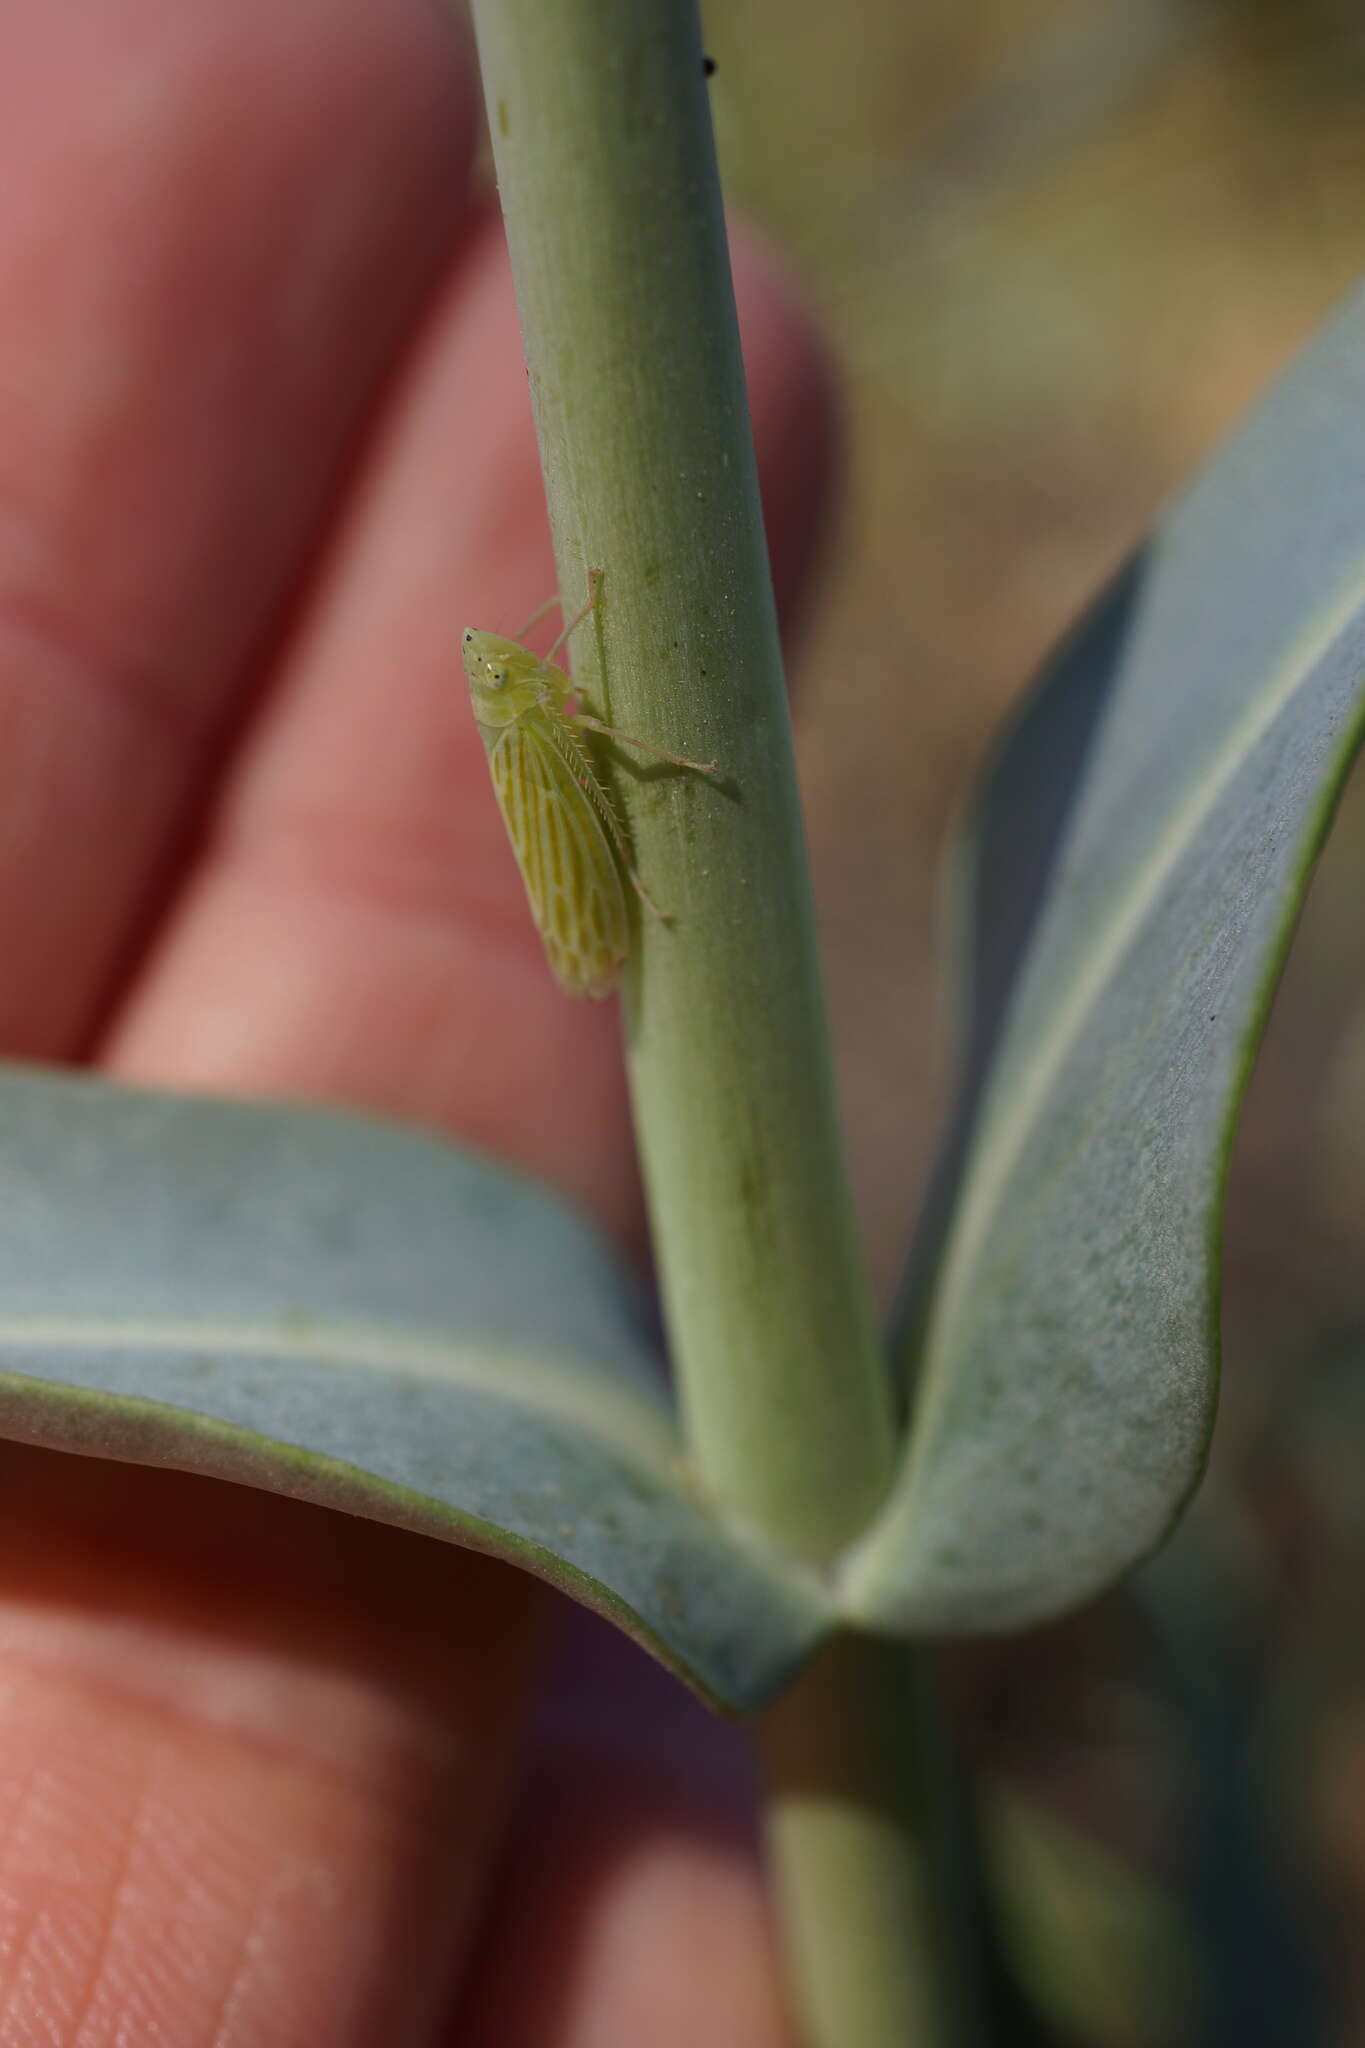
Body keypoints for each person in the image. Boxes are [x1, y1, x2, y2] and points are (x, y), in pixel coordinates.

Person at [0, 4, 835, 2038]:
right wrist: (597, 712)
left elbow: (555, 702)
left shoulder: (525, 690)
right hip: (585, 826)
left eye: (499, 664)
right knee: (590, 800)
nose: (498, 665)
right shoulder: (530, 706)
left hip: (579, 818)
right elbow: (573, 737)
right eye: (500, 666)